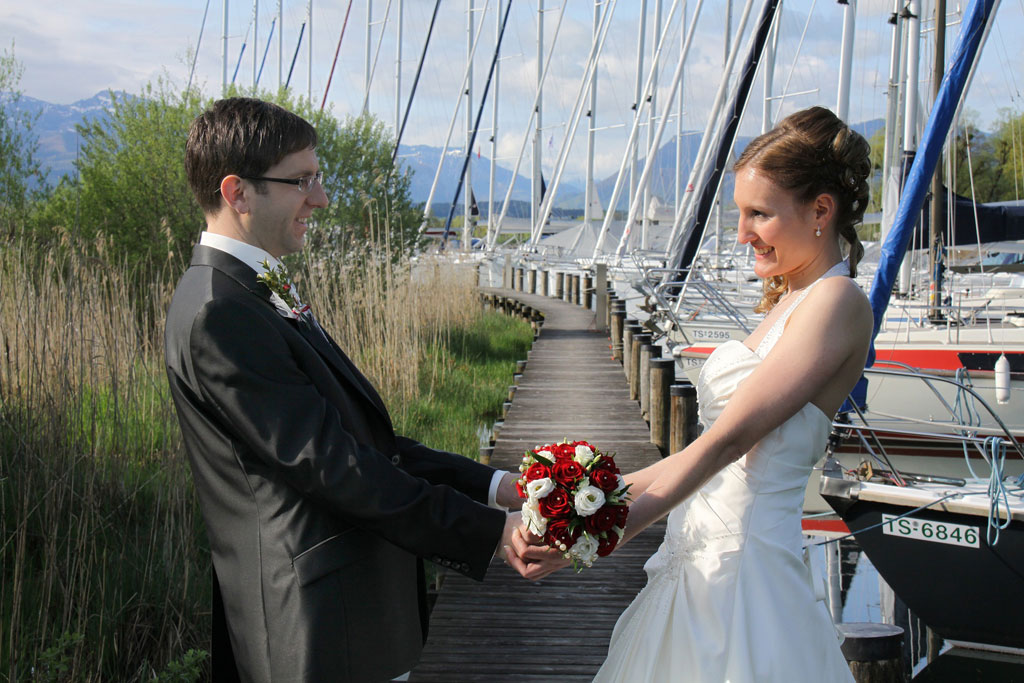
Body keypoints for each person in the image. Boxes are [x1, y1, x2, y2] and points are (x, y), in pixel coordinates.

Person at [164, 97, 539, 683]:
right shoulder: (222, 312)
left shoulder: (249, 293)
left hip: (347, 615)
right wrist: (492, 532)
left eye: (317, 178)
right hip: (318, 626)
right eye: (301, 181)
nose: (320, 198)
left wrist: (494, 487)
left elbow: (365, 444)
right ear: (237, 193)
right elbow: (336, 468)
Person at [527, 106, 873, 682]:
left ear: (820, 210)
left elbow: (729, 444)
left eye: (759, 214)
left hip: (745, 577)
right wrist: (583, 505)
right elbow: (701, 451)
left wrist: (610, 530)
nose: (742, 234)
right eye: (740, 213)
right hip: (697, 563)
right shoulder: (790, 301)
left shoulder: (839, 303)